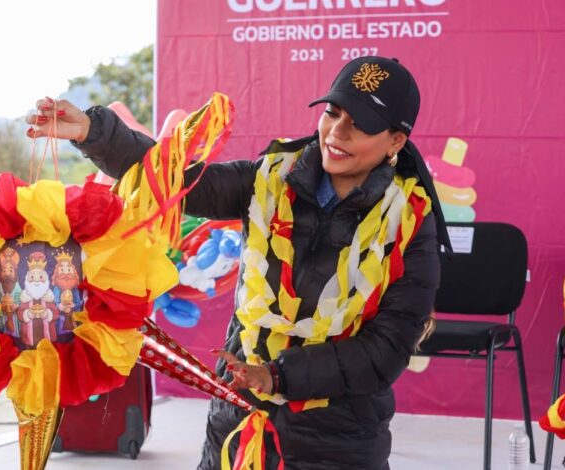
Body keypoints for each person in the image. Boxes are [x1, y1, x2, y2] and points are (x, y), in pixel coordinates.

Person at [27, 56, 450, 470]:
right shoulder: (267, 178)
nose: (336, 133)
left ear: (395, 140)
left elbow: (386, 351)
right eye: (333, 113)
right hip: (236, 424)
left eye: (359, 125)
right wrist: (93, 132)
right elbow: (177, 179)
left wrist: (277, 376)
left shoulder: (410, 224)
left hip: (338, 441)